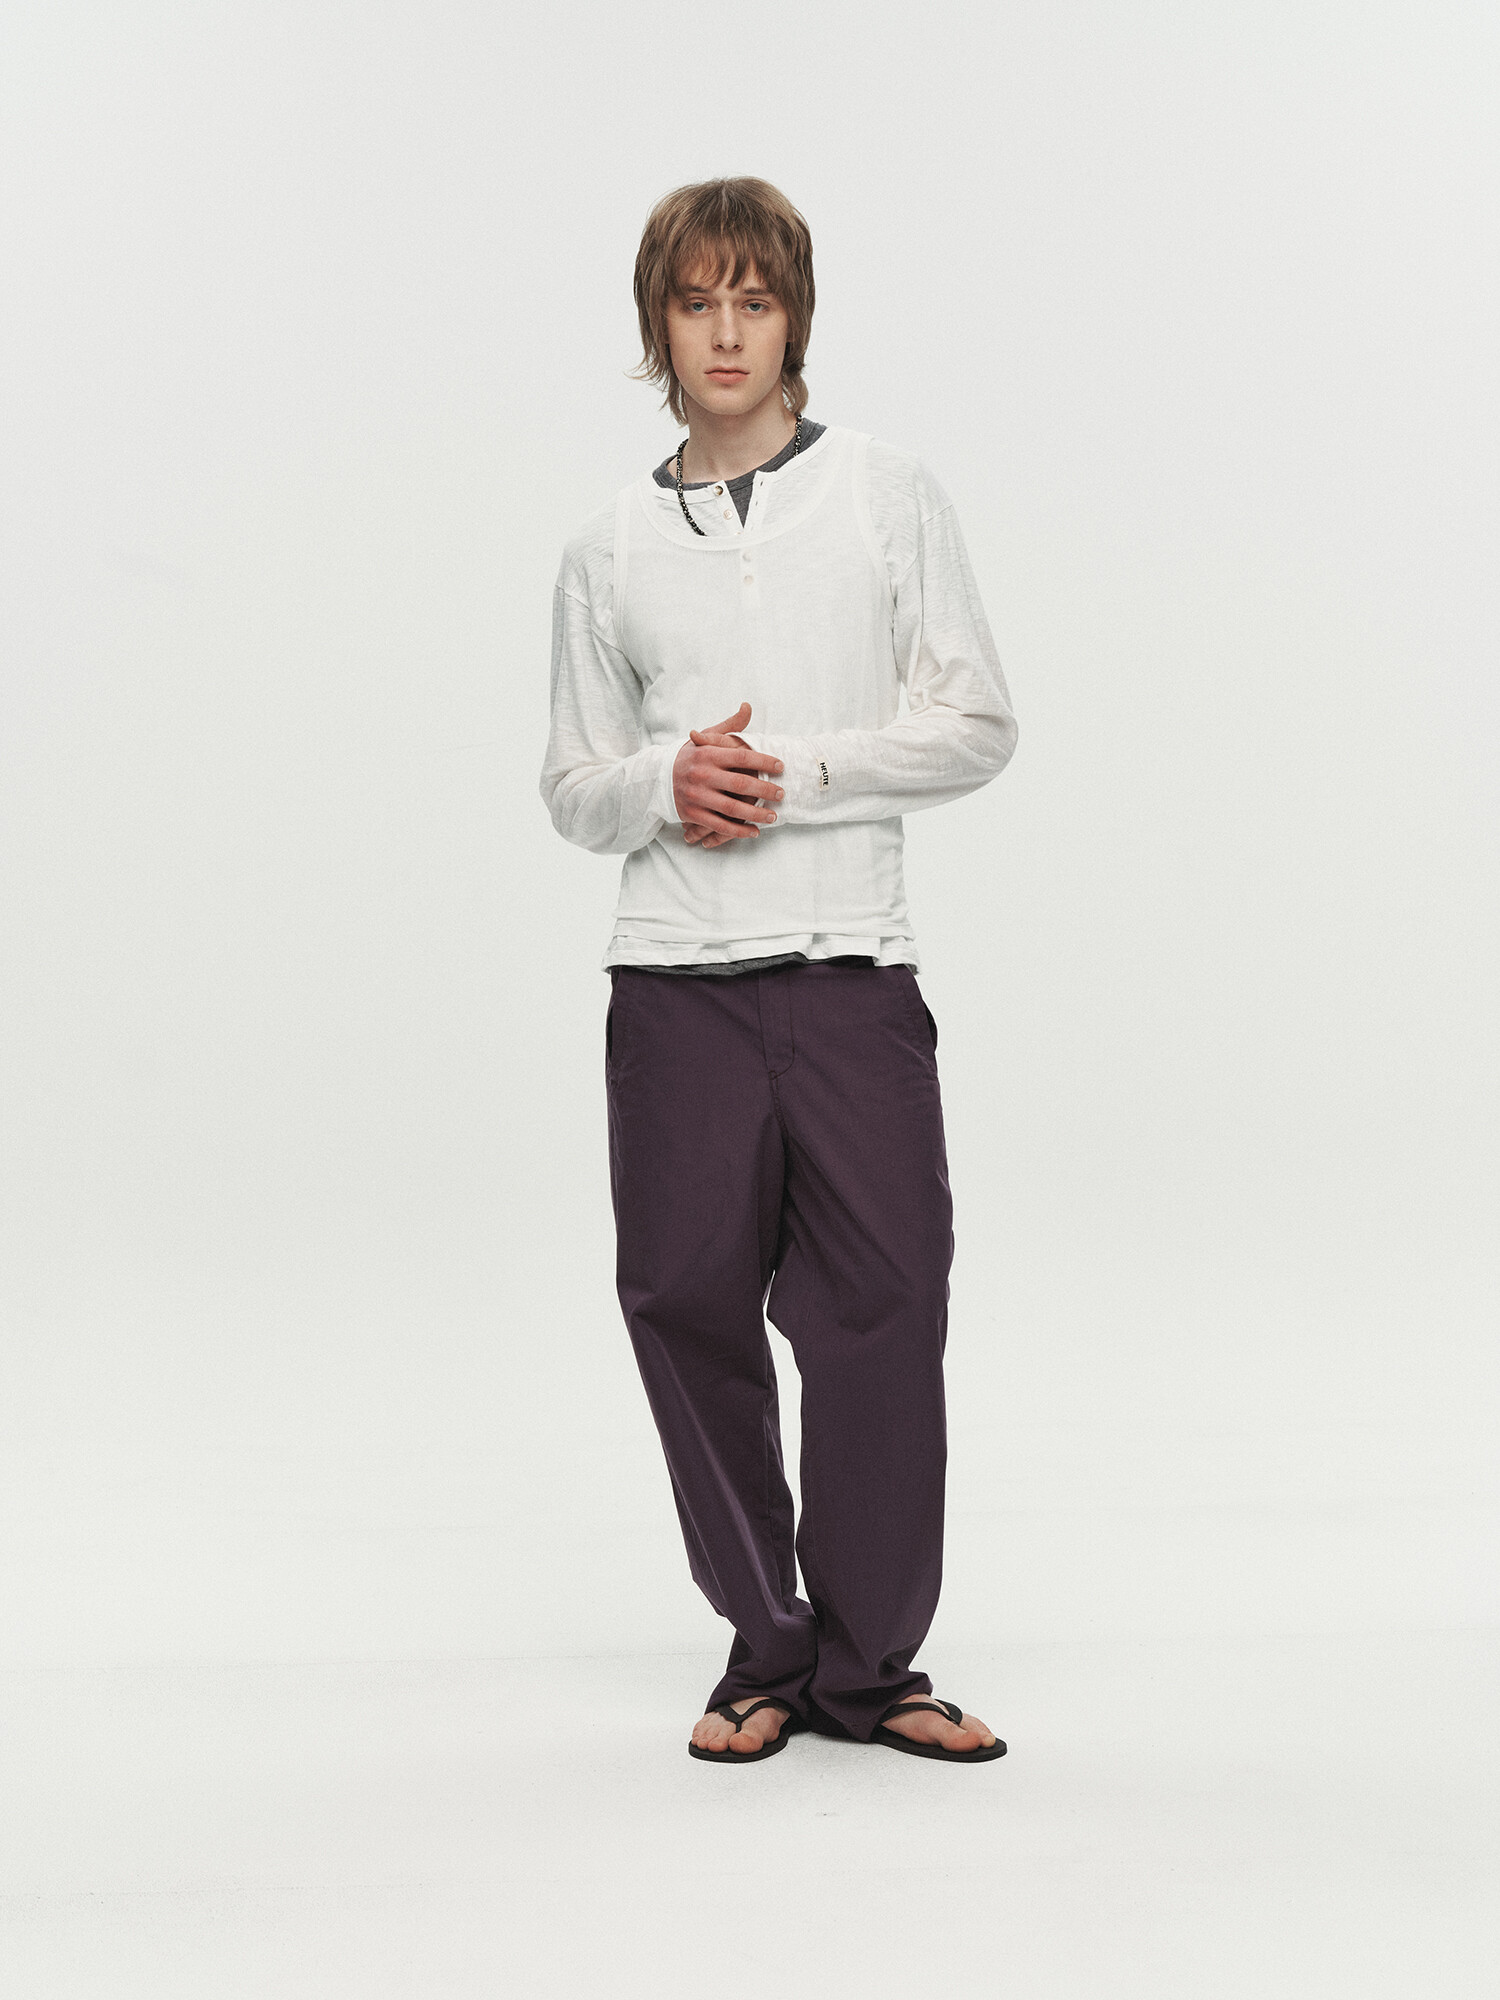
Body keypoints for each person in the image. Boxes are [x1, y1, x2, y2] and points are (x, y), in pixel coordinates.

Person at [539, 177, 1017, 1765]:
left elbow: (977, 722)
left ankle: (874, 1669)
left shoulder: (885, 495)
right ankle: (766, 1645)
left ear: (796, 317)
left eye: (755, 300)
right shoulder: (607, 549)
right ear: (658, 325)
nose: (727, 332)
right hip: (674, 980)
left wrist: (794, 775)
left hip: (850, 970)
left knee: (887, 1300)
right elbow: (573, 786)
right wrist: (667, 780)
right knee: (685, 1302)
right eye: (697, 303)